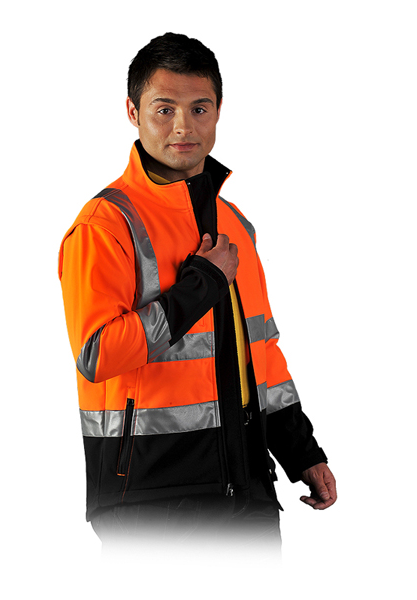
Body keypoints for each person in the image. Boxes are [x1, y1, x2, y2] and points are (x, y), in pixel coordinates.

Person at [58, 32, 336, 557]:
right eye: (164, 109)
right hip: (149, 495)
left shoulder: (235, 224)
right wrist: (202, 285)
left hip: (247, 486)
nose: (183, 126)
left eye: (199, 108)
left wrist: (301, 451)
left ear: (218, 112)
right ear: (133, 112)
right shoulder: (105, 225)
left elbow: (261, 352)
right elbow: (97, 353)